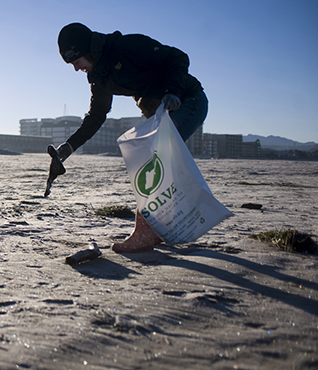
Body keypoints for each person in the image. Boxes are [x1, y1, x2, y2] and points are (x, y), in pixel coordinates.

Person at [54, 22, 208, 253]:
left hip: (188, 101)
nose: (76, 68)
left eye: (76, 61)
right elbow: (97, 115)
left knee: (151, 158)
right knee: (152, 159)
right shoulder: (99, 76)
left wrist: (173, 91)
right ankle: (158, 229)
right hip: (160, 113)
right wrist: (69, 146)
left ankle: (146, 233)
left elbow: (177, 57)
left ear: (87, 50)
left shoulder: (125, 46)